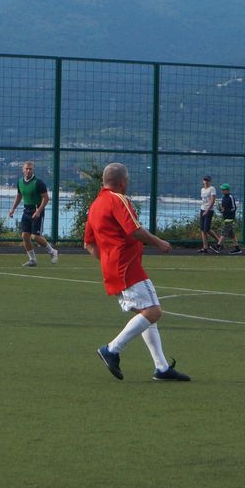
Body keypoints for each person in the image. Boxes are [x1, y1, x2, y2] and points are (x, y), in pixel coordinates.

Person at [87, 162, 189, 382]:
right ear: (122, 182)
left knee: (145, 313)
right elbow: (133, 230)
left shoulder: (95, 205)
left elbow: (89, 244)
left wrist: (108, 260)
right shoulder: (117, 199)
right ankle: (111, 349)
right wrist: (159, 242)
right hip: (127, 267)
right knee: (153, 312)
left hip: (113, 269)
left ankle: (161, 367)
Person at [8, 160, 59, 267]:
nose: (28, 171)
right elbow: (19, 196)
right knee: (25, 236)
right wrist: (12, 209)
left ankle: (52, 251)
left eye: (30, 169)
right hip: (26, 211)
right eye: (26, 169)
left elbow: (46, 198)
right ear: (23, 170)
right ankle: (32, 259)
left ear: (33, 170)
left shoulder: (38, 183)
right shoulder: (20, 182)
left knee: (35, 236)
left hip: (36, 210)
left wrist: (38, 211)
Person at [198, 175, 221, 253]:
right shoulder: (202, 189)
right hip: (202, 209)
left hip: (209, 210)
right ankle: (205, 247)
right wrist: (203, 209)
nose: (206, 182)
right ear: (203, 181)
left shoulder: (212, 189)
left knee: (207, 229)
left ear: (210, 181)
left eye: (207, 180)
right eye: (205, 180)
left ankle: (219, 241)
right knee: (203, 229)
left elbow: (213, 200)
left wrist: (207, 210)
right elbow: (203, 200)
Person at [218, 182, 241, 253]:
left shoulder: (230, 197)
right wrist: (222, 210)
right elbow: (223, 208)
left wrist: (227, 211)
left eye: (223, 190)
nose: (222, 191)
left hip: (230, 218)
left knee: (224, 232)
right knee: (231, 234)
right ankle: (237, 248)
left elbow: (234, 208)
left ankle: (218, 246)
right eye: (222, 190)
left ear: (227, 190)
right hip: (225, 217)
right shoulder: (223, 198)